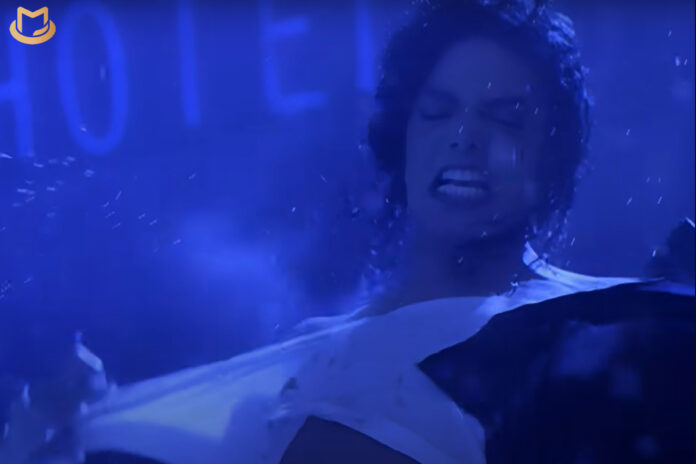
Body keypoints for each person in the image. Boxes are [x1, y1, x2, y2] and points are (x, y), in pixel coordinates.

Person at [1, 0, 693, 463]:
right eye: (438, 113)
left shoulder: (592, 325)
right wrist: (79, 417)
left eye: (505, 117)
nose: (464, 138)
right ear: (401, 138)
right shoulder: (302, 361)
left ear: (553, 152)